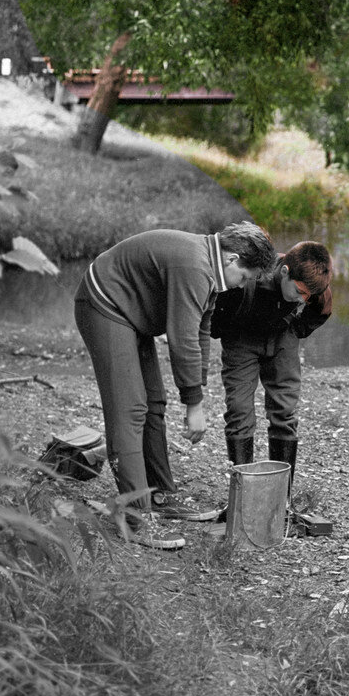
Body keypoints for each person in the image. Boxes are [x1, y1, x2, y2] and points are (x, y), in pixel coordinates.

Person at [74, 222, 278, 550]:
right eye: (246, 277)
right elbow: (181, 339)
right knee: (129, 410)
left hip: (131, 313)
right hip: (104, 304)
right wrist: (194, 404)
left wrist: (196, 391)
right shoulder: (195, 266)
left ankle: (159, 495)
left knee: (153, 403)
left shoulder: (209, 266)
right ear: (232, 259)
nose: (243, 286)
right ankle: (134, 519)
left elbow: (201, 330)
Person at [211, 241, 333, 508]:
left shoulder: (314, 287)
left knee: (285, 411)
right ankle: (241, 501)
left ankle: (281, 501)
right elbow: (215, 311)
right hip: (241, 339)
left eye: (307, 296)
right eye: (299, 292)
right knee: (239, 411)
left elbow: (321, 311)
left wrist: (296, 327)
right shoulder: (254, 274)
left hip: (283, 338)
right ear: (285, 272)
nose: (303, 299)